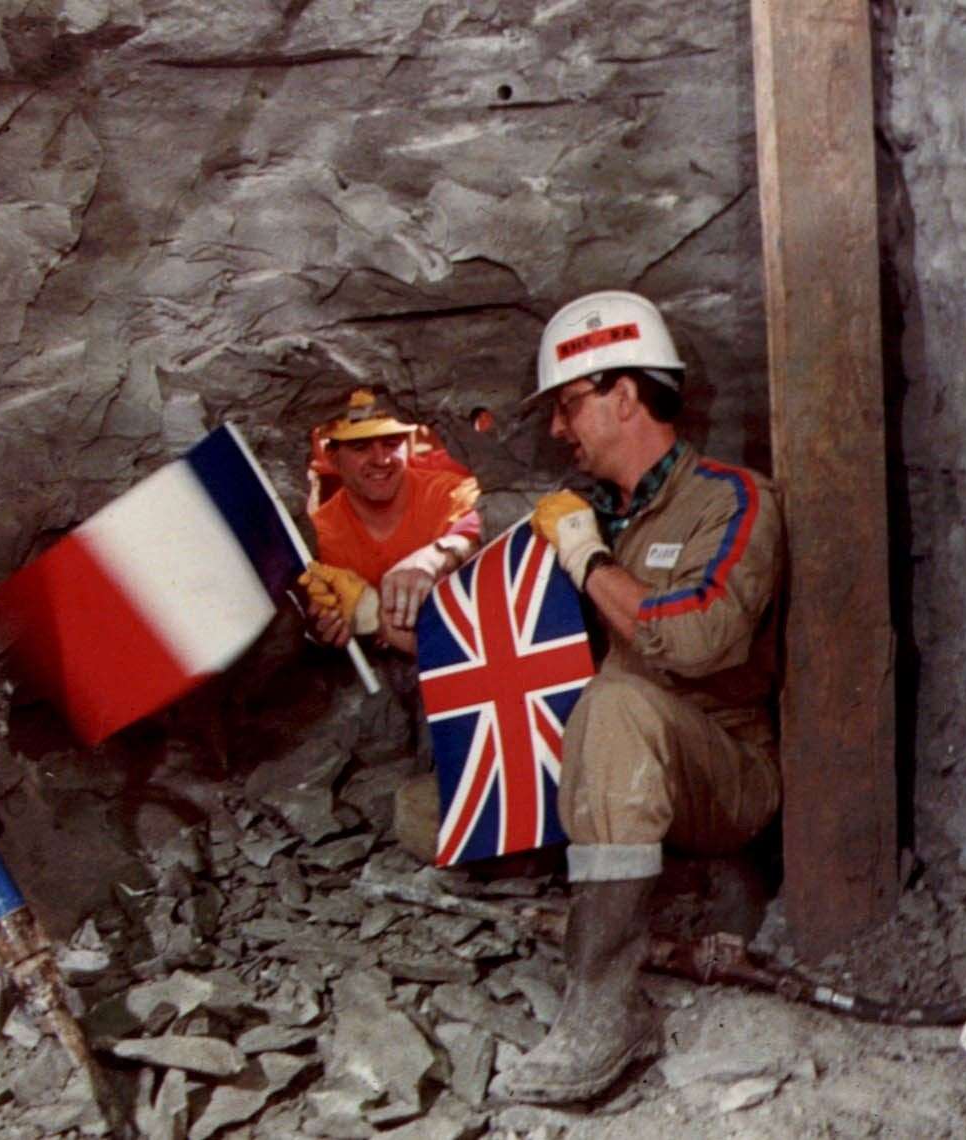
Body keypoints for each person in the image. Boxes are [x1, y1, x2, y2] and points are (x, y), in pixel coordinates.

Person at [493, 291, 785, 1104]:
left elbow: (700, 638)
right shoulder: (594, 513)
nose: (558, 429)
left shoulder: (731, 500)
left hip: (727, 770)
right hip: (631, 764)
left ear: (624, 395)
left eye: (568, 406)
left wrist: (586, 559)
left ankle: (603, 1008)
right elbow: (498, 635)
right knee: (435, 813)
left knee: (617, 705)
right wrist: (389, 607)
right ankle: (690, 881)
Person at [300, 389, 482, 655]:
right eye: (360, 447)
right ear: (332, 457)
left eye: (391, 443)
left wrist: (437, 555)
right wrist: (324, 630)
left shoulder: (448, 494)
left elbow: (486, 526)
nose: (381, 459)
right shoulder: (321, 537)